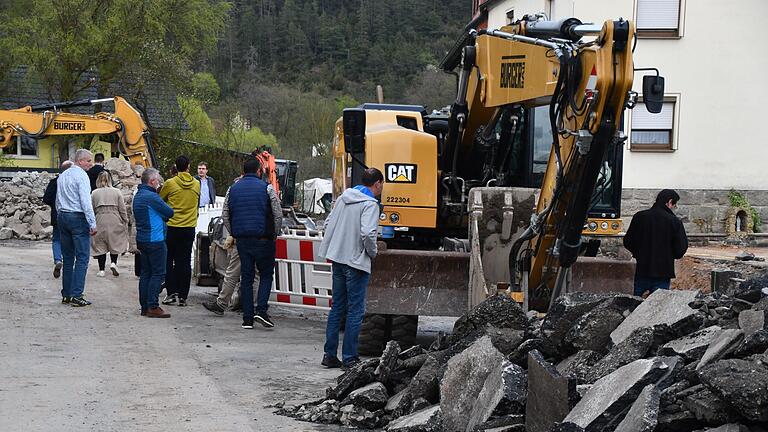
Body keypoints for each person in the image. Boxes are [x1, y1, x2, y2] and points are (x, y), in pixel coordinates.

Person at [318, 168, 383, 369]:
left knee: (338, 307)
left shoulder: (344, 198)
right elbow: (368, 233)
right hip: (356, 262)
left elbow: (328, 223)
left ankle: (329, 355)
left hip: (338, 258)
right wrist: (372, 253)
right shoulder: (370, 204)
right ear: (378, 184)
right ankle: (350, 358)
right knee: (356, 310)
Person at [224, 157, 282, 329]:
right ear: (258, 171)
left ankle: (247, 319)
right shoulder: (267, 188)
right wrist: (275, 234)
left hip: (242, 240)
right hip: (264, 239)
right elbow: (277, 213)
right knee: (265, 275)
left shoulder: (232, 189)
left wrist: (234, 232)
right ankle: (261, 311)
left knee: (246, 278)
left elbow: (225, 214)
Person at [624, 189, 689, 297]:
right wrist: (669, 255)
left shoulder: (639, 217)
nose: (674, 208)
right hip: (663, 272)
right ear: (669, 202)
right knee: (658, 308)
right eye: (674, 205)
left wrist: (638, 252)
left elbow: (628, 241)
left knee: (634, 306)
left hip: (641, 270)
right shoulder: (674, 222)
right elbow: (680, 249)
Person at [56, 149, 97, 307]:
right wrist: (92, 223)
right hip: (77, 217)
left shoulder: (63, 175)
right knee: (82, 257)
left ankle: (66, 293)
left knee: (67, 257)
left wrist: (59, 213)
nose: (90, 164)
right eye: (88, 161)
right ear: (80, 161)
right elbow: (85, 201)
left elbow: (58, 198)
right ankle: (77, 294)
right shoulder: (82, 176)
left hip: (63, 215)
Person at [203, 176, 247, 316]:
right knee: (255, 274)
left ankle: (221, 304)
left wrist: (232, 233)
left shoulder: (234, 192)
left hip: (240, 237)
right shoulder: (264, 190)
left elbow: (226, 215)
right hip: (259, 238)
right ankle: (254, 307)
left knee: (232, 272)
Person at [133, 168, 174, 318]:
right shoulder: (152, 197)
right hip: (155, 239)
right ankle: (153, 305)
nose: (159, 182)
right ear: (152, 181)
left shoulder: (138, 196)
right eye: (157, 179)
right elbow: (169, 212)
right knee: (158, 273)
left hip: (143, 239)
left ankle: (144, 306)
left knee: (146, 273)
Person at [160, 155, 200, 307]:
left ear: (175, 167)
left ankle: (171, 293)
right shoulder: (196, 184)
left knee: (169, 260)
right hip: (189, 228)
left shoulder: (170, 183)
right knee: (184, 261)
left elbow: (160, 200)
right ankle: (183, 296)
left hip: (172, 226)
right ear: (189, 166)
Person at [90, 170, 129, 277]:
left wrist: (90, 223)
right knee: (114, 242)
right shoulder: (117, 192)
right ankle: (113, 263)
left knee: (100, 245)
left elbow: (91, 209)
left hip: (100, 218)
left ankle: (101, 270)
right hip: (114, 218)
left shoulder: (94, 193)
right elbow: (122, 208)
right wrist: (125, 220)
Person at [43, 160, 74, 278]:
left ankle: (57, 260)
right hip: (71, 214)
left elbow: (46, 198)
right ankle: (68, 262)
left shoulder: (54, 182)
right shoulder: (71, 182)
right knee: (70, 239)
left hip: (57, 215)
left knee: (56, 239)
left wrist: (54, 205)